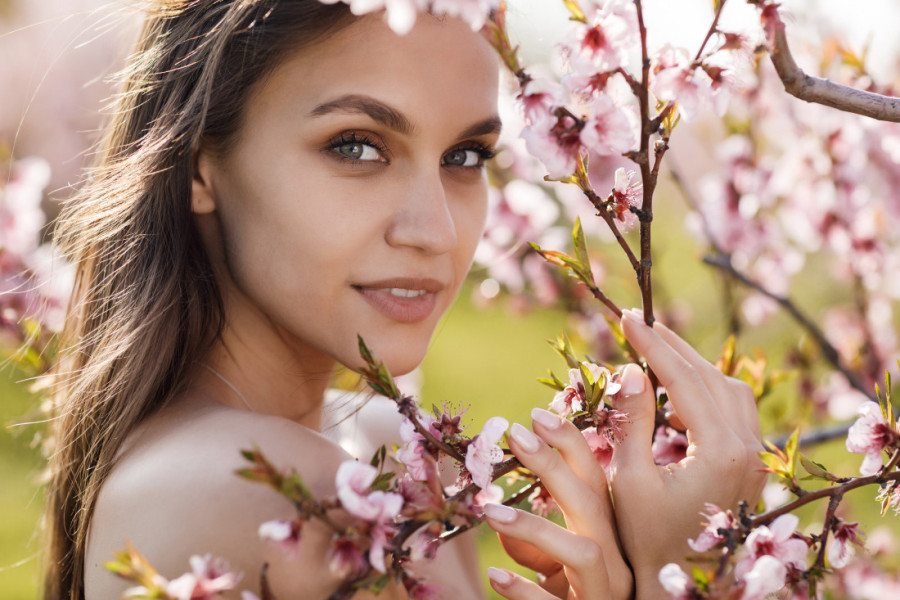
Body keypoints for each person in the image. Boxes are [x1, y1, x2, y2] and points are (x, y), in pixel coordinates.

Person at [41, 2, 765, 599]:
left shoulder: (393, 453)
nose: (436, 232)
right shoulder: (270, 493)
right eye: (356, 146)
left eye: (465, 157)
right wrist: (688, 575)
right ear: (199, 162)